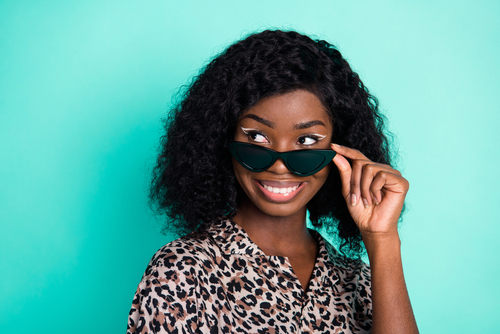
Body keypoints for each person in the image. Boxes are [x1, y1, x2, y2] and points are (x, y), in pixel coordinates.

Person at [126, 30, 419, 334]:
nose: (280, 165)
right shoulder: (183, 271)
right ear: (222, 138)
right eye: (256, 137)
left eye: (306, 140)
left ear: (340, 147)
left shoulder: (359, 280)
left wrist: (383, 241)